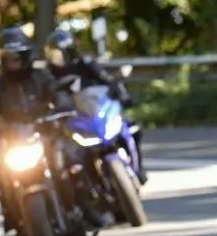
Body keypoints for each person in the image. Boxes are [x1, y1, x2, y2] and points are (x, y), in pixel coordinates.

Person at [0, 26, 81, 236]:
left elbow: (57, 93)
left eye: (16, 58)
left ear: (27, 56)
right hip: (14, 141)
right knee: (2, 176)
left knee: (62, 164)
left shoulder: (41, 76)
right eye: (7, 59)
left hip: (43, 134)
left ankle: (74, 210)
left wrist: (62, 107)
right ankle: (17, 222)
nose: (12, 63)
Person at [44, 28, 147, 184]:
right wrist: (51, 114)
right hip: (74, 119)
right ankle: (78, 190)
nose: (58, 58)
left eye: (61, 52)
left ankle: (138, 168)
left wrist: (122, 95)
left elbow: (107, 80)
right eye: (54, 54)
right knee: (65, 153)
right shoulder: (49, 74)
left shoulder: (86, 63)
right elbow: (46, 98)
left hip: (97, 111)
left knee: (132, 128)